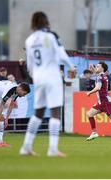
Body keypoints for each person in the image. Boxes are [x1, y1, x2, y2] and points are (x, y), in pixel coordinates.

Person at [19, 11, 75, 157]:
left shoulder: (29, 40)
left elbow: (29, 65)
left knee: (38, 113)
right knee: (55, 111)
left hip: (38, 78)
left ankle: (26, 146)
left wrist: (35, 75)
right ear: (46, 21)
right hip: (52, 76)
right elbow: (61, 54)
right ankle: (53, 149)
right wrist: (71, 66)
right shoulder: (51, 36)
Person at [0, 80, 30, 147]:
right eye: (24, 93)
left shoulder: (16, 91)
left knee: (2, 118)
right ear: (20, 89)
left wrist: (6, 118)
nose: (23, 96)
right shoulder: (9, 89)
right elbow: (1, 105)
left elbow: (11, 105)